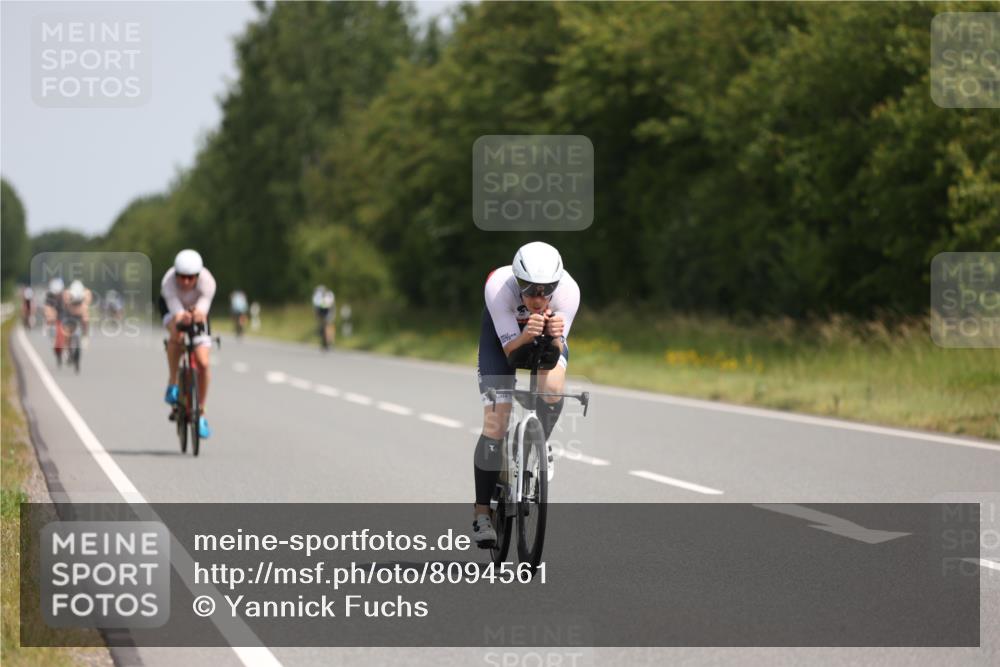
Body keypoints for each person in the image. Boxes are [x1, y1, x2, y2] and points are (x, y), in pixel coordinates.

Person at [471, 241, 580, 547]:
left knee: (553, 387)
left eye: (546, 290)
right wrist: (526, 335)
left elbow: (555, 353)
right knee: (496, 421)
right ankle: (482, 514)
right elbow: (510, 355)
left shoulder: (569, 291)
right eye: (529, 289)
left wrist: (554, 338)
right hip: (502, 342)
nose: (538, 297)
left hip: (544, 335)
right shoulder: (498, 286)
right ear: (517, 281)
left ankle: (540, 441)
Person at [159, 250, 217, 439]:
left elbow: (202, 311)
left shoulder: (208, 282)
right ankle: (173, 382)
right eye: (181, 277)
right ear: (175, 274)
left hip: (197, 311)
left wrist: (197, 314)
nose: (185, 282)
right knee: (177, 335)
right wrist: (182, 319)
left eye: (190, 278)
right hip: (173, 310)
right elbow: (177, 315)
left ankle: (200, 412)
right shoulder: (168, 283)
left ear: (197, 276)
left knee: (203, 363)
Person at [44, 278, 66, 365]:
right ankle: (58, 351)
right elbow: (47, 309)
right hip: (55, 318)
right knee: (56, 337)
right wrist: (50, 318)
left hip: (63, 316)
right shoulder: (49, 297)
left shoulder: (65, 296)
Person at [312, 285, 336, 350]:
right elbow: (316, 308)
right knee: (323, 325)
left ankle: (329, 341)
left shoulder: (329, 294)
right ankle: (325, 341)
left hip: (329, 310)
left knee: (328, 325)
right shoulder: (317, 296)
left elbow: (330, 306)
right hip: (322, 310)